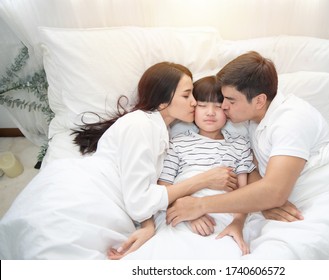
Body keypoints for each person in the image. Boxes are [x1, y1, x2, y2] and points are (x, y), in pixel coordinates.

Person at [166, 52, 329, 259]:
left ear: (260, 100)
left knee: (292, 254)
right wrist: (262, 203)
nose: (223, 107)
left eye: (230, 100)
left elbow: (274, 191)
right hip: (291, 199)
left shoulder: (291, 120)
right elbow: (256, 175)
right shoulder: (248, 119)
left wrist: (199, 205)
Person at [0, 62, 237, 260]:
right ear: (164, 100)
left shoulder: (158, 131)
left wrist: (148, 226)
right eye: (187, 95)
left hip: (104, 195)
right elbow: (139, 201)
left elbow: (138, 186)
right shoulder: (141, 125)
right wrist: (202, 180)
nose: (195, 103)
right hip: (84, 194)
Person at [121, 76, 256, 259]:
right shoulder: (177, 143)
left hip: (222, 215)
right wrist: (190, 214)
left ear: (227, 109)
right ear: (193, 108)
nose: (210, 112)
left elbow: (245, 193)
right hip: (181, 213)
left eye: (218, 106)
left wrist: (238, 222)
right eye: (202, 105)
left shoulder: (239, 145)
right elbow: (164, 188)